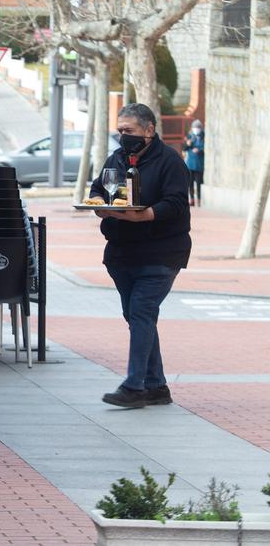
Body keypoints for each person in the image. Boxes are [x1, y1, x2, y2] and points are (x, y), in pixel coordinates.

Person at [89, 103, 191, 409]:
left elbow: (175, 203)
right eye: (120, 130)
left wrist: (143, 215)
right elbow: (98, 187)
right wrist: (96, 201)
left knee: (141, 313)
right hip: (122, 253)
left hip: (161, 253)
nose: (123, 136)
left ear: (149, 130)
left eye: (129, 131)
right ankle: (157, 386)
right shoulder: (117, 158)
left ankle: (134, 387)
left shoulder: (170, 161)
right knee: (138, 317)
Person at [183, 119, 204, 207]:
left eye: (198, 127)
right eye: (195, 127)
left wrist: (199, 150)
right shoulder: (189, 136)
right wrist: (188, 144)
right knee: (190, 183)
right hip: (190, 164)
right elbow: (184, 148)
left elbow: (206, 148)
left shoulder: (204, 136)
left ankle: (199, 200)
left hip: (199, 164)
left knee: (199, 183)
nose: (196, 129)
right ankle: (191, 199)